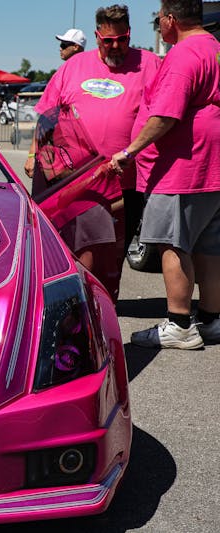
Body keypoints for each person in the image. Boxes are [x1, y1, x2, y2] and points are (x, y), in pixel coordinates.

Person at [24, 4, 160, 302]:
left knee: (112, 251)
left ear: (129, 34)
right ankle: (71, 303)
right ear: (97, 36)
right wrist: (35, 154)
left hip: (125, 182)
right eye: (108, 40)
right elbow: (47, 115)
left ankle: (103, 306)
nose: (116, 46)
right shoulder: (74, 66)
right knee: (71, 249)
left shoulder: (149, 64)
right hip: (75, 180)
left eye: (122, 39)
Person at [110, 0, 220, 349]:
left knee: (172, 243)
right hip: (211, 167)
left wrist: (130, 151)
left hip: (183, 167)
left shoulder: (183, 54)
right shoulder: (214, 48)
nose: (159, 25)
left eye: (160, 20)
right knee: (209, 246)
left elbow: (166, 115)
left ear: (171, 19)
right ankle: (212, 320)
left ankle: (179, 324)